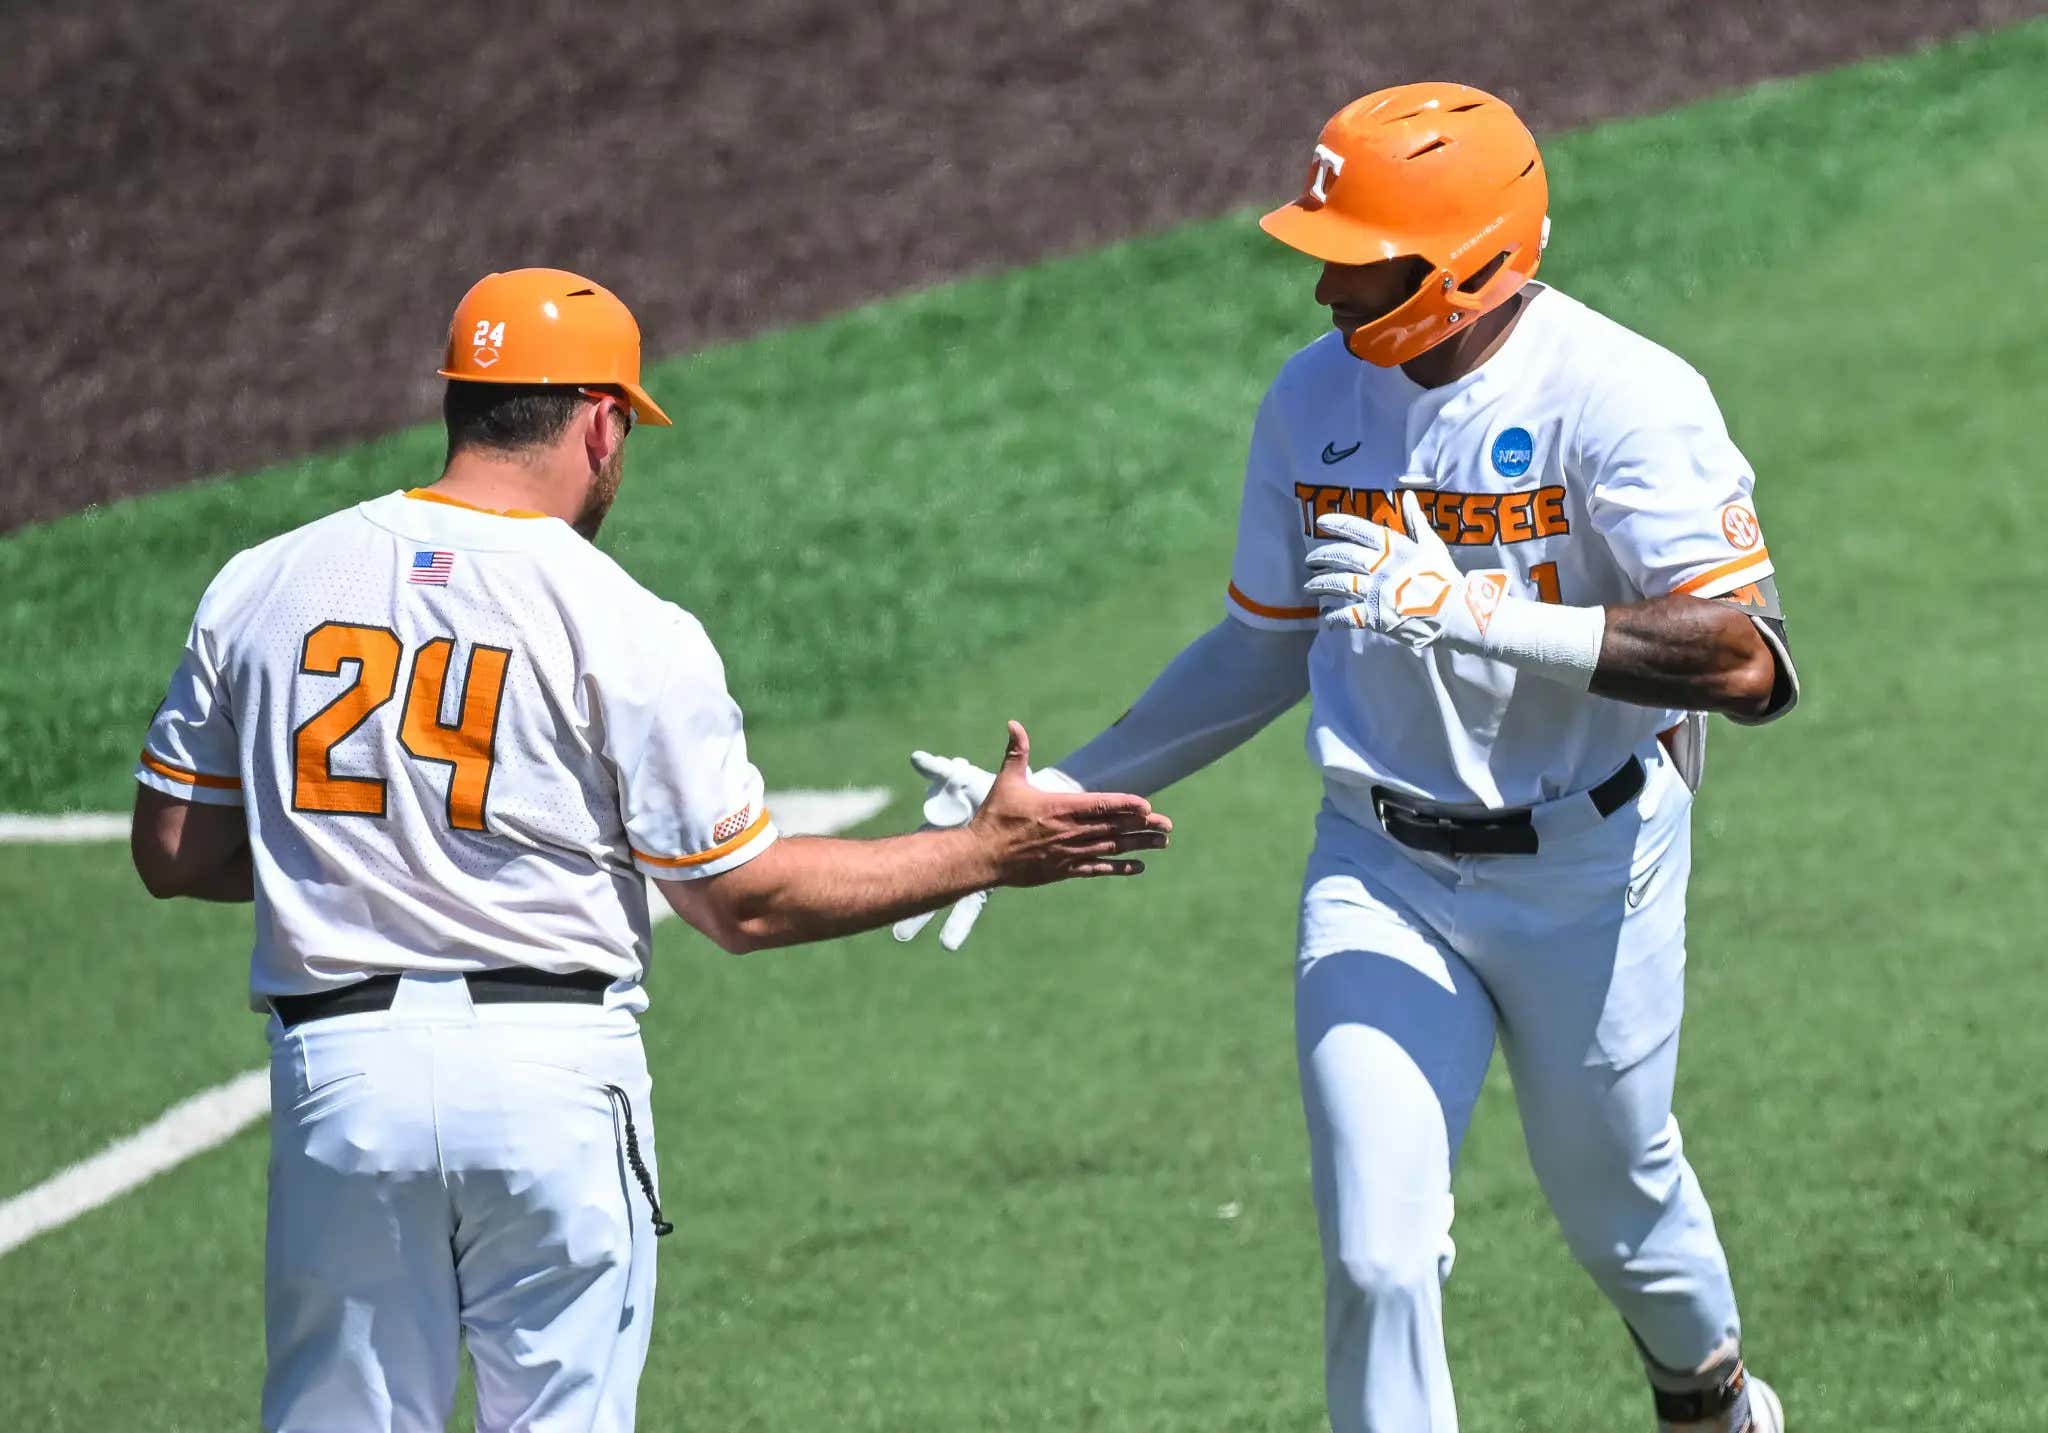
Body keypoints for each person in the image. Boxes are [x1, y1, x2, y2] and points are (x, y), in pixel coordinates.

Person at [128, 266, 1171, 1432]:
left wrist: (372, 863)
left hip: (343, 1085)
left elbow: (173, 848)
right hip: (549, 1077)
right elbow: (746, 902)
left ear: (461, 406)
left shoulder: (264, 580)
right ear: (600, 420)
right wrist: (983, 850)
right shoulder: (624, 620)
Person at [895, 85, 1797, 1432]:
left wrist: (1481, 613)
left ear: (1469, 259)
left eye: (1360, 259)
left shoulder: (1622, 396)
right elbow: (1262, 648)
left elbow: (1749, 662)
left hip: (1589, 867)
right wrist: (1062, 786)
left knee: (1616, 1205)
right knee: (1378, 1257)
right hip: (1379, 871)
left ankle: (1710, 1392)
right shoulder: (1317, 399)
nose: (1325, 290)